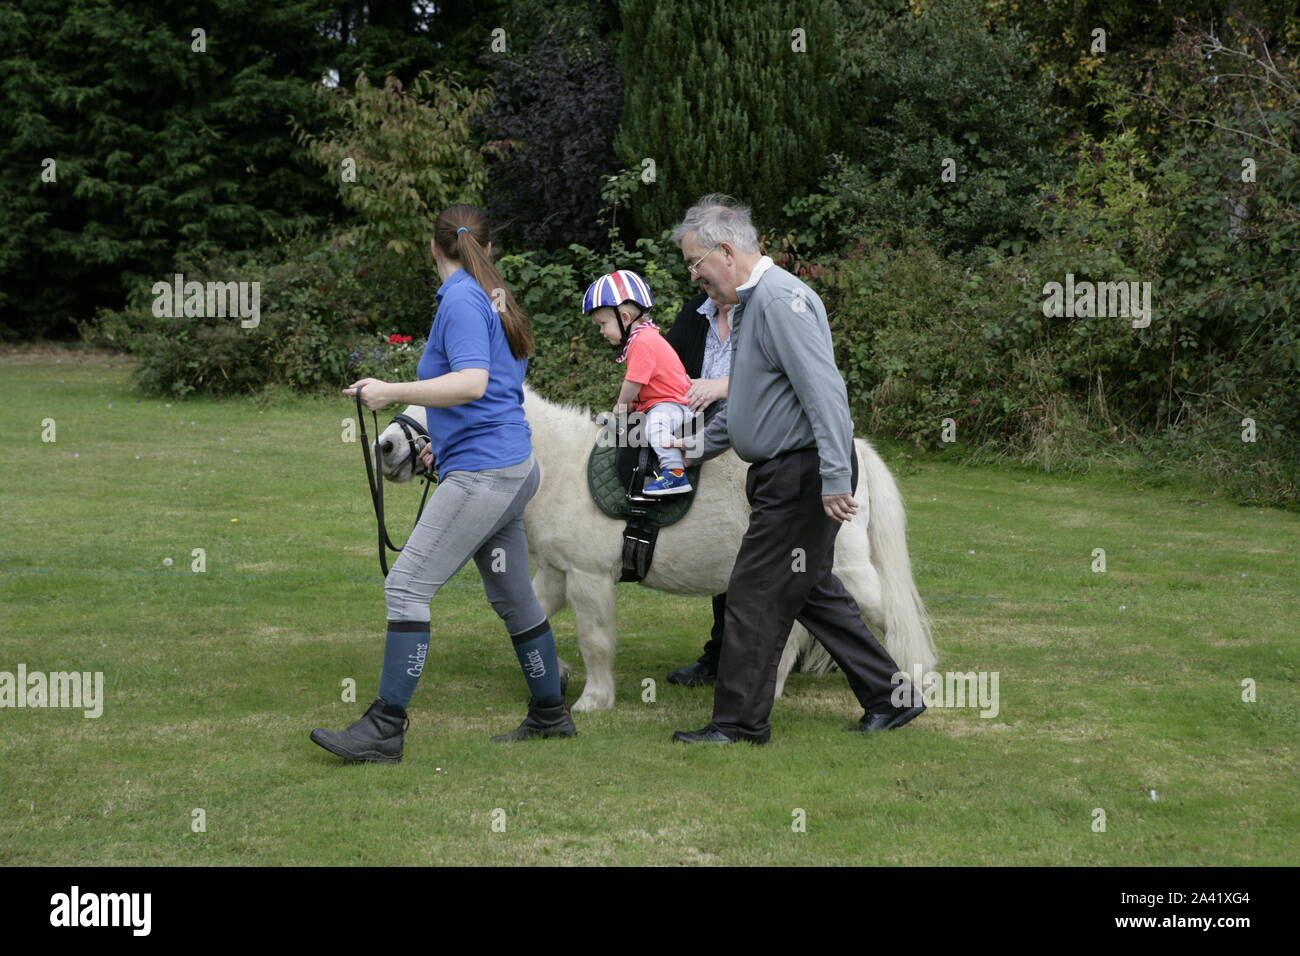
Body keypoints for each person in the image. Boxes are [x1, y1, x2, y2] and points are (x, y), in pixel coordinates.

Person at [310, 204, 576, 763]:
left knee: (406, 586)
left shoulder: (461, 298)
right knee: (514, 596)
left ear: (434, 247)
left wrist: (388, 391)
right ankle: (551, 714)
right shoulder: (492, 297)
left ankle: (385, 727)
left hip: (486, 472)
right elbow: (502, 387)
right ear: (484, 246)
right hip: (512, 466)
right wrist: (445, 440)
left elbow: (474, 382)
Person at [665, 194, 925, 745]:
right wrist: (690, 452)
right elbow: (750, 409)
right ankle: (891, 696)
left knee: (752, 596)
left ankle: (738, 725)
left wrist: (835, 478)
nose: (695, 277)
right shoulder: (753, 306)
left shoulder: (782, 301)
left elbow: (826, 395)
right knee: (813, 592)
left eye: (695, 263)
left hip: (800, 476)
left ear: (727, 251)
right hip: (783, 472)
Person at [663, 289, 733, 685]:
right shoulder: (695, 312)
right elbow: (669, 366)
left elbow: (775, 372)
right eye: (691, 268)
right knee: (723, 546)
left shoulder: (762, 309)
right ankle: (721, 654)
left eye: (698, 264)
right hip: (703, 443)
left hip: (750, 443)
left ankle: (732, 655)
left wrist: (721, 386)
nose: (695, 275)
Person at [582, 269, 694, 496]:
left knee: (655, 426)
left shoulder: (643, 341)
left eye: (603, 323)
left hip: (675, 405)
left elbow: (633, 383)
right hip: (663, 402)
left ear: (624, 318)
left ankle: (675, 473)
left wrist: (621, 405)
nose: (602, 331)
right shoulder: (643, 338)